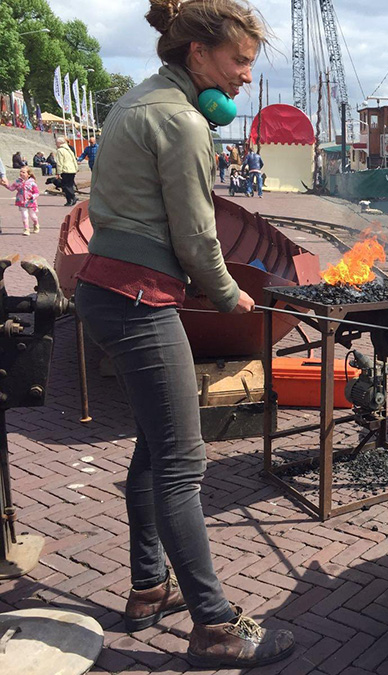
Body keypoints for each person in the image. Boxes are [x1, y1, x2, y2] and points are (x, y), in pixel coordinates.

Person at [73, 0, 295, 668]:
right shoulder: (182, 121)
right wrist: (235, 303)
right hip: (138, 300)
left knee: (157, 443)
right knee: (184, 460)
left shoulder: (142, 99)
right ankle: (216, 625)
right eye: (239, 62)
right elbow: (199, 238)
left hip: (110, 289)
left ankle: (148, 588)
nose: (245, 78)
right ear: (197, 54)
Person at [5, 166, 40, 235]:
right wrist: (5, 185)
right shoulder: (17, 181)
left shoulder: (32, 183)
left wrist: (32, 197)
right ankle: (26, 229)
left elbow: (37, 192)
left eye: (23, 172)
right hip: (21, 202)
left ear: (28, 174)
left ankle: (36, 224)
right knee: (25, 215)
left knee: (33, 216)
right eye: (20, 171)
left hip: (31, 202)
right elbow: (11, 188)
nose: (21, 173)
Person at [54, 136, 79, 206]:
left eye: (56, 143)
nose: (56, 144)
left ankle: (73, 197)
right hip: (72, 170)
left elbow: (59, 162)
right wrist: (76, 168)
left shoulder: (60, 150)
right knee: (70, 185)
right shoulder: (69, 149)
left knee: (65, 186)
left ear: (59, 143)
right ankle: (69, 201)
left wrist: (58, 172)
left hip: (65, 170)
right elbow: (74, 159)